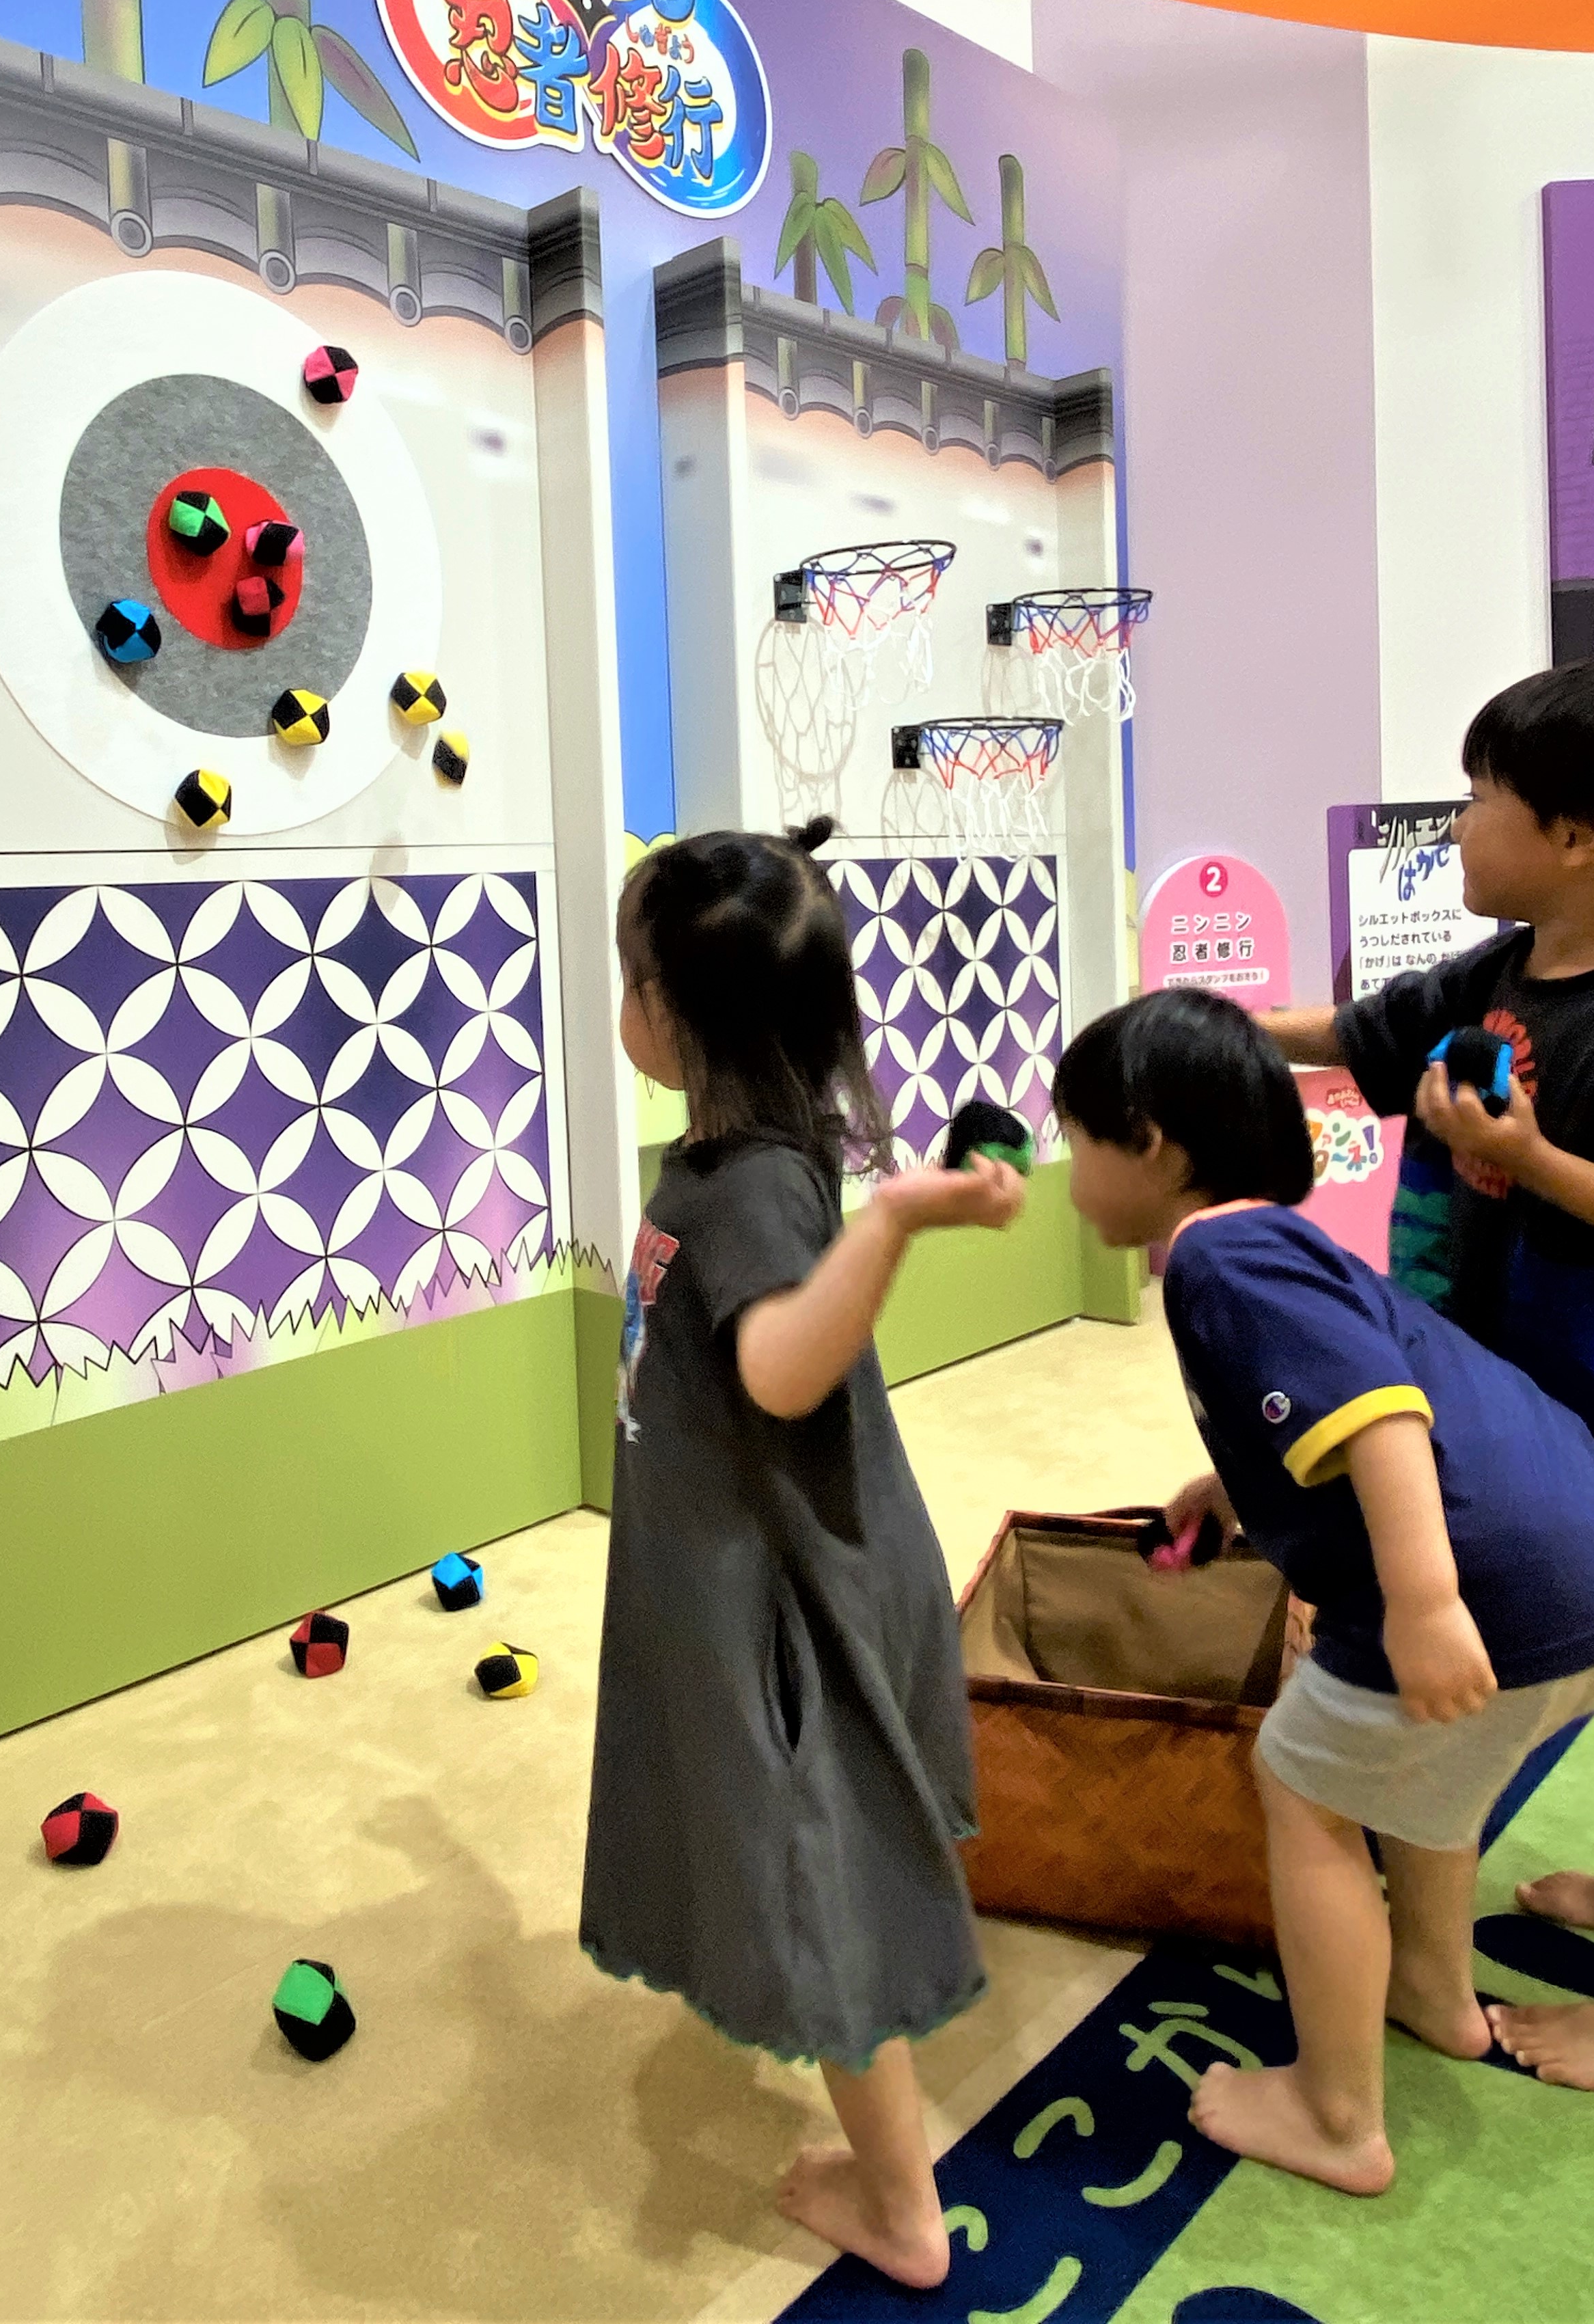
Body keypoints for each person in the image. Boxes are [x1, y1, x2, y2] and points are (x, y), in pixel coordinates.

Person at [1056, 988, 1594, 2193]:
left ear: (1150, 1144)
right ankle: (1434, 1988)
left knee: (1305, 1781)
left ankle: (1336, 2112)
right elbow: (1325, 1408)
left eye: (1078, 1139)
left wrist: (1424, 1604)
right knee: (1417, 1769)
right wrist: (1231, 1487)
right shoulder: (1271, 1245)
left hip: (1487, 1580)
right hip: (1579, 1561)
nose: (1068, 1171)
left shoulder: (1222, 1257)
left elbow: (1380, 1415)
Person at [580, 818, 1022, 2289]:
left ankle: (902, 2209)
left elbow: (778, 1370)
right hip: (736, 1561)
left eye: (631, 980)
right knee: (804, 1867)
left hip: (778, 1593)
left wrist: (894, 1221)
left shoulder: (756, 1187)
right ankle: (888, 2174)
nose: (622, 1003)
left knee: (828, 1903)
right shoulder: (744, 1153)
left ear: (678, 1015)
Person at [1263, 664, 1594, 2091]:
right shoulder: (1495, 973)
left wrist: (1529, 1161)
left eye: (1479, 801)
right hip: (1502, 1403)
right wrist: (1206, 1027)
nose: (1457, 826)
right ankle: (1429, 1961)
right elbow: (1353, 1036)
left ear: (1576, 836)